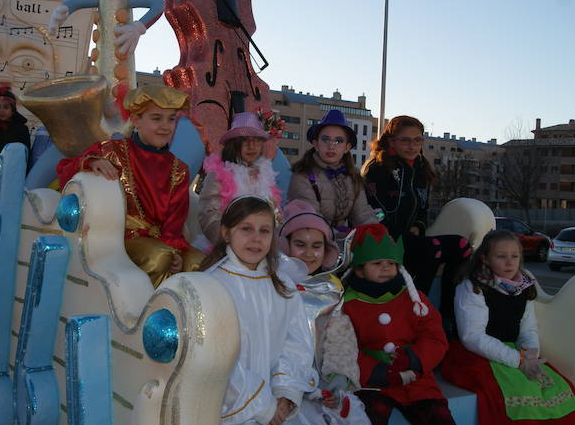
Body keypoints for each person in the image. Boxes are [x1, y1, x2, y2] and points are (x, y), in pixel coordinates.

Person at [203, 195, 339, 425]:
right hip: (234, 410)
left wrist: (286, 395)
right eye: (246, 228)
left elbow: (296, 344)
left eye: (264, 230)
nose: (256, 239)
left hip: (279, 405)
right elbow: (214, 358)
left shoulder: (283, 285)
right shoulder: (211, 286)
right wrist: (264, 407)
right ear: (227, 232)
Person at [441, 230, 575, 425]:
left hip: (515, 353)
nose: (510, 262)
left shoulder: (523, 285)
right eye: (501, 256)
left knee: (559, 388)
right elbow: (473, 337)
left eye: (515, 256)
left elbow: (528, 328)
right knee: (514, 396)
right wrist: (518, 361)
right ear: (485, 259)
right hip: (477, 354)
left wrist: (530, 353)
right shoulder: (473, 286)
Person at [336, 223, 457, 425]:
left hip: (416, 378)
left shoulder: (414, 299)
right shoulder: (347, 306)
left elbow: (434, 336)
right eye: (377, 263)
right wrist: (380, 372)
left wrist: (413, 359)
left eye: (390, 263)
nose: (385, 268)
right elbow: (344, 348)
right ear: (359, 270)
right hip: (373, 382)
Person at [56, 85, 203, 287]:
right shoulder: (111, 151)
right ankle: (142, 314)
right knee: (158, 257)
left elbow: (174, 223)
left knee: (199, 262)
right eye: (156, 118)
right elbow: (64, 172)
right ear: (136, 120)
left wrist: (175, 252)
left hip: (160, 242)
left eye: (171, 119)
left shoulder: (179, 169)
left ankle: (181, 315)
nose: (165, 126)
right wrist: (90, 162)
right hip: (117, 239)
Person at [277, 199, 374, 425]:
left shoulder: (331, 289)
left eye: (316, 246)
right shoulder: (275, 288)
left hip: (323, 382)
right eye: (300, 245)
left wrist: (336, 382)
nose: (309, 253)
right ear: (285, 246)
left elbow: (339, 340)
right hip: (288, 384)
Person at [362, 115, 472, 308]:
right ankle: (417, 307)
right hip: (385, 240)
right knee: (431, 249)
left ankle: (449, 311)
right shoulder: (378, 168)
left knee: (462, 246)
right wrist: (399, 233)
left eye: (417, 140)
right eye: (405, 140)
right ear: (391, 141)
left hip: (411, 239)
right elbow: (374, 211)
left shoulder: (421, 169)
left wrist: (418, 226)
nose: (412, 146)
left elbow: (423, 209)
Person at [288, 109, 378, 237]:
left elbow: (362, 213)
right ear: (316, 144)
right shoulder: (302, 176)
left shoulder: (352, 178)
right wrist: (342, 235)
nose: (331, 146)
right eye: (325, 139)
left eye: (339, 141)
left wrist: (376, 233)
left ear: (347, 147)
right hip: (310, 242)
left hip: (341, 243)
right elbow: (309, 218)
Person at [199, 111, 280, 243]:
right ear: (233, 144)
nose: (251, 146)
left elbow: (274, 214)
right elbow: (208, 214)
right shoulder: (219, 174)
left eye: (256, 140)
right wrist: (229, 241)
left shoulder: (266, 174)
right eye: (244, 140)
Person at [0, 87, 31, 172]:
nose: (2, 111)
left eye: (6, 107)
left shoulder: (22, 129)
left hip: (14, 168)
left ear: (13, 110)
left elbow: (24, 152)